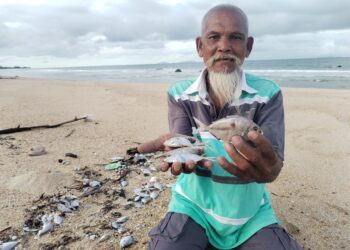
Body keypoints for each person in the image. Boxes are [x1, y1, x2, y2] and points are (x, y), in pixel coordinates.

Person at [137, 4, 302, 250]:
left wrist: (269, 171)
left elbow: (274, 164)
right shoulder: (180, 94)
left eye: (235, 37)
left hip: (251, 215)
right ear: (200, 46)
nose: (224, 46)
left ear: (248, 46)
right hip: (193, 206)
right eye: (214, 37)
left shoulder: (268, 94)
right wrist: (178, 150)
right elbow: (182, 138)